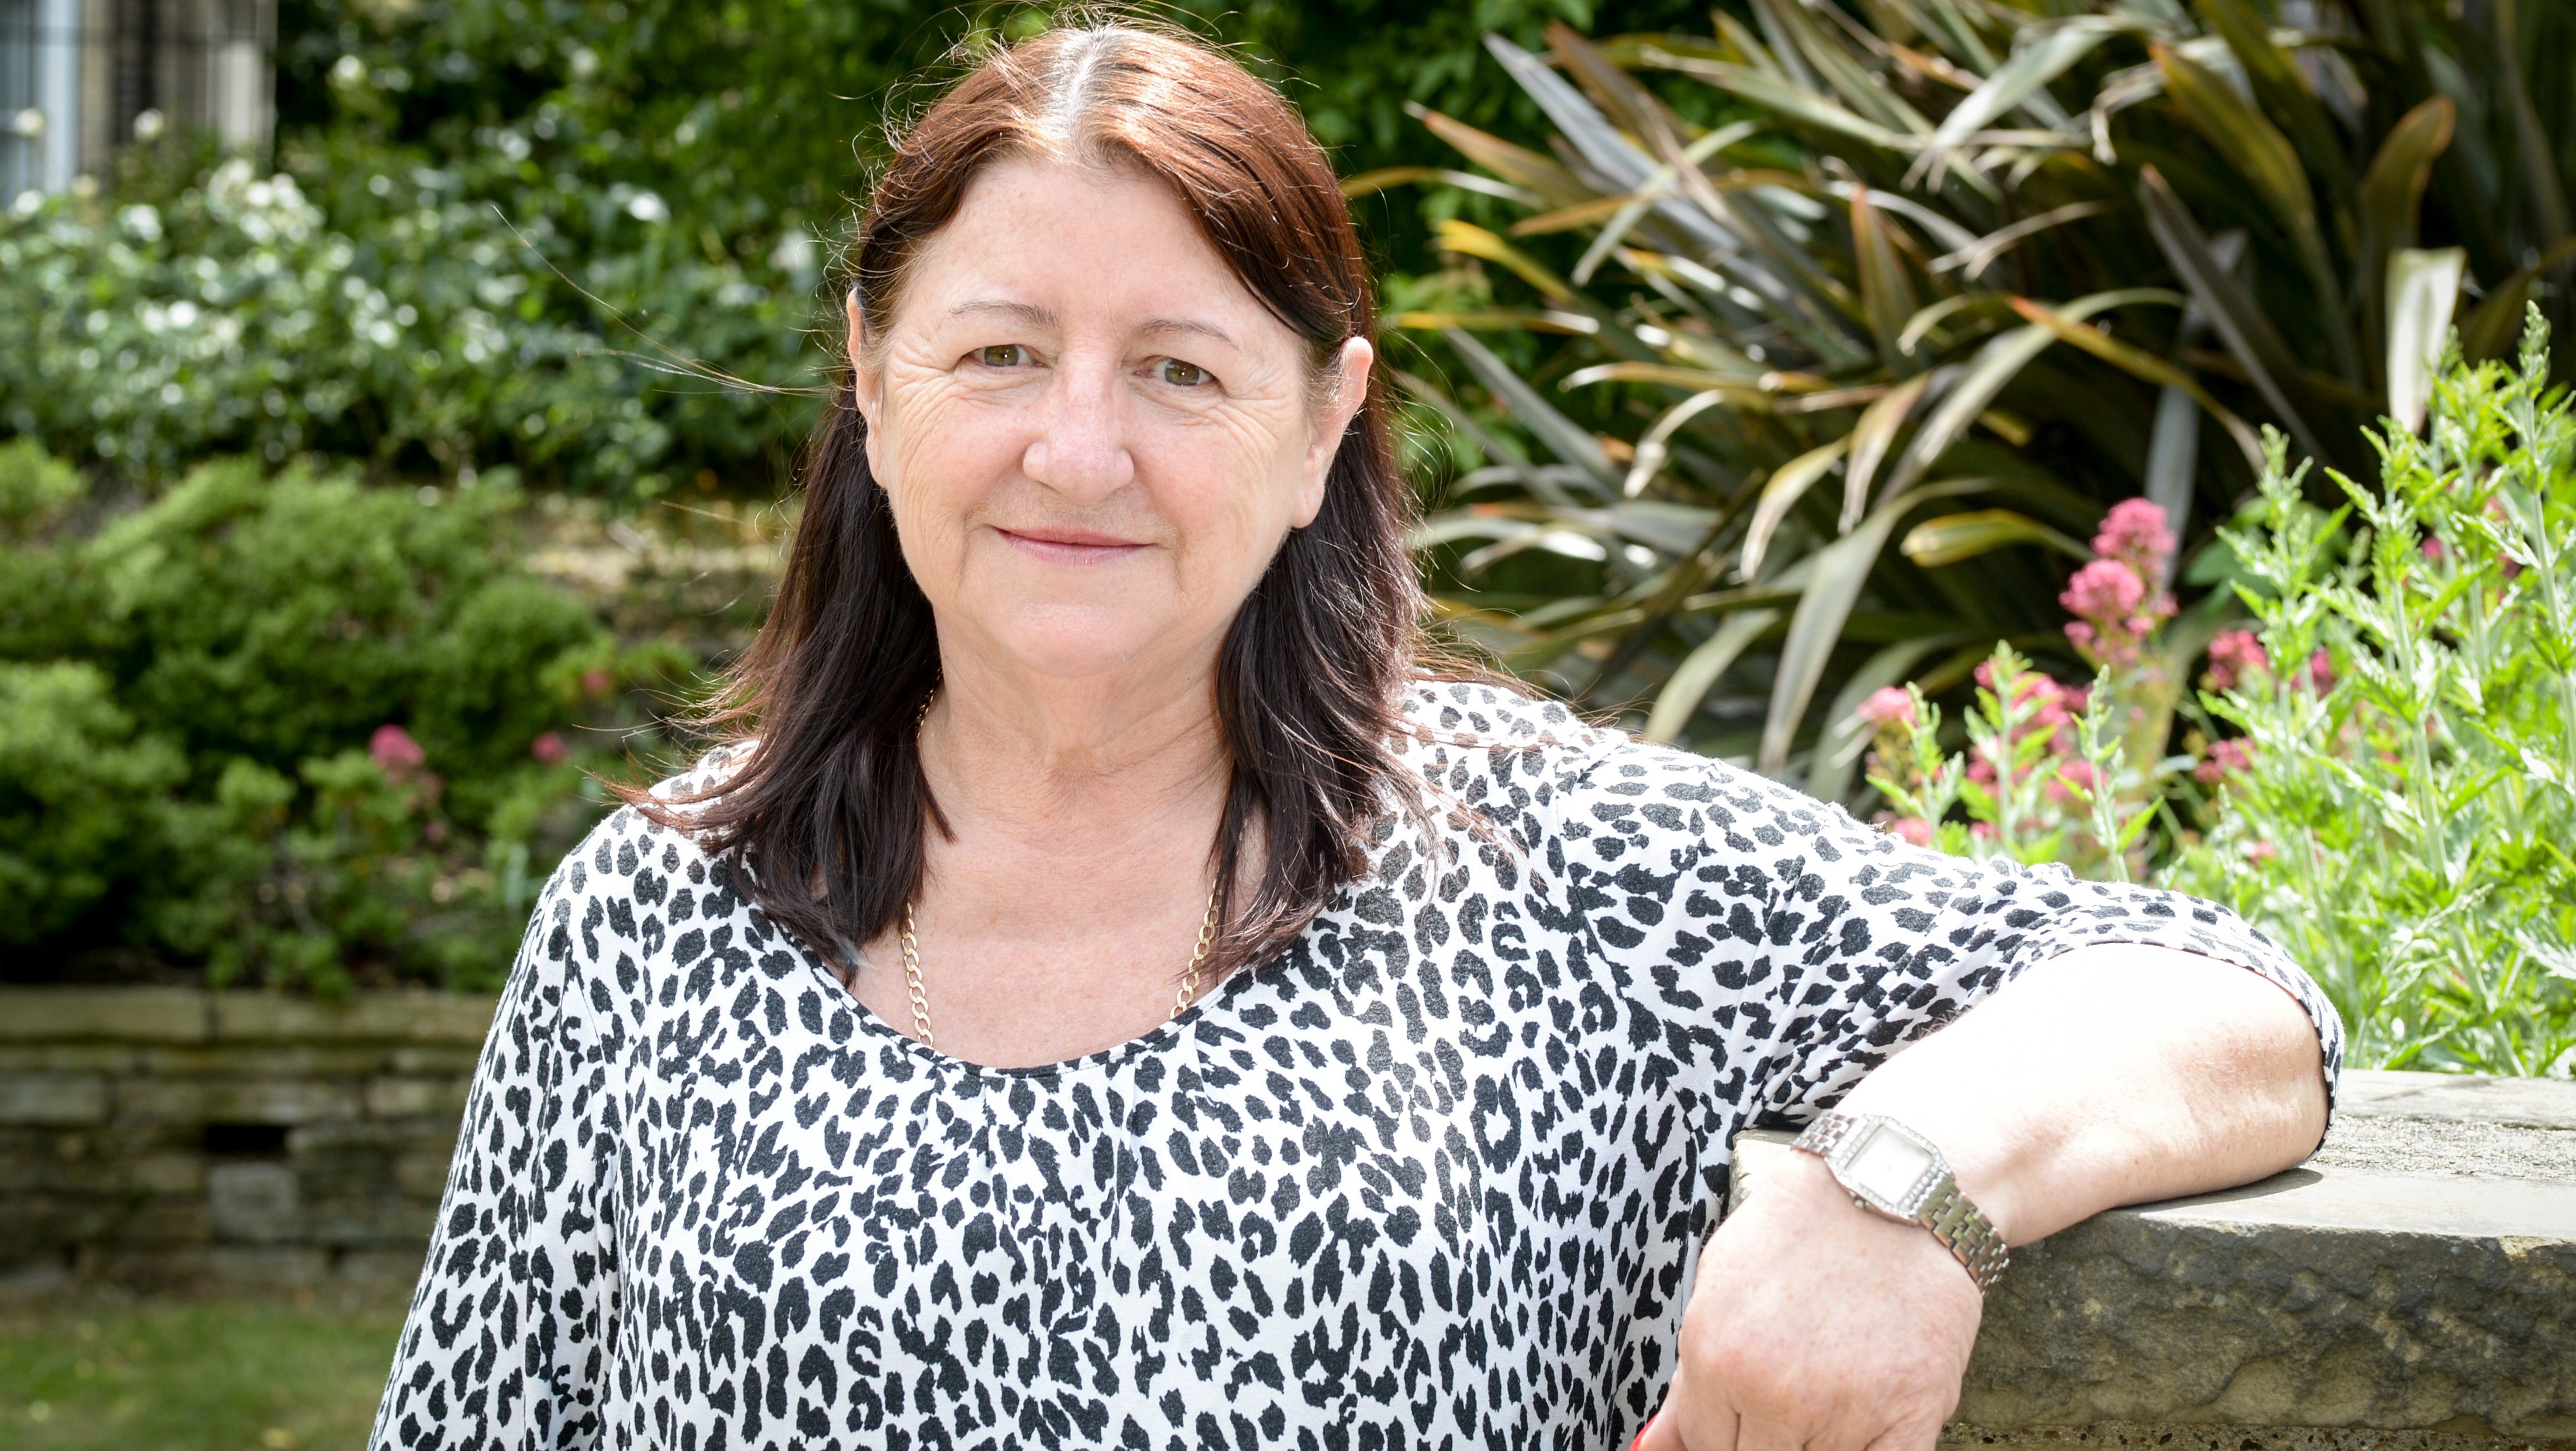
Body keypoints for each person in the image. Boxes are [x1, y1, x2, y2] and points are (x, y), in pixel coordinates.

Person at [370, 23, 2339, 1451]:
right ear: (873, 390)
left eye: (1178, 369)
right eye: (998, 353)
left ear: (1321, 426)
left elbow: (2219, 995)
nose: (1077, 449)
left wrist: (1892, 1197)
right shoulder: (655, 917)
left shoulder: (1550, 865)